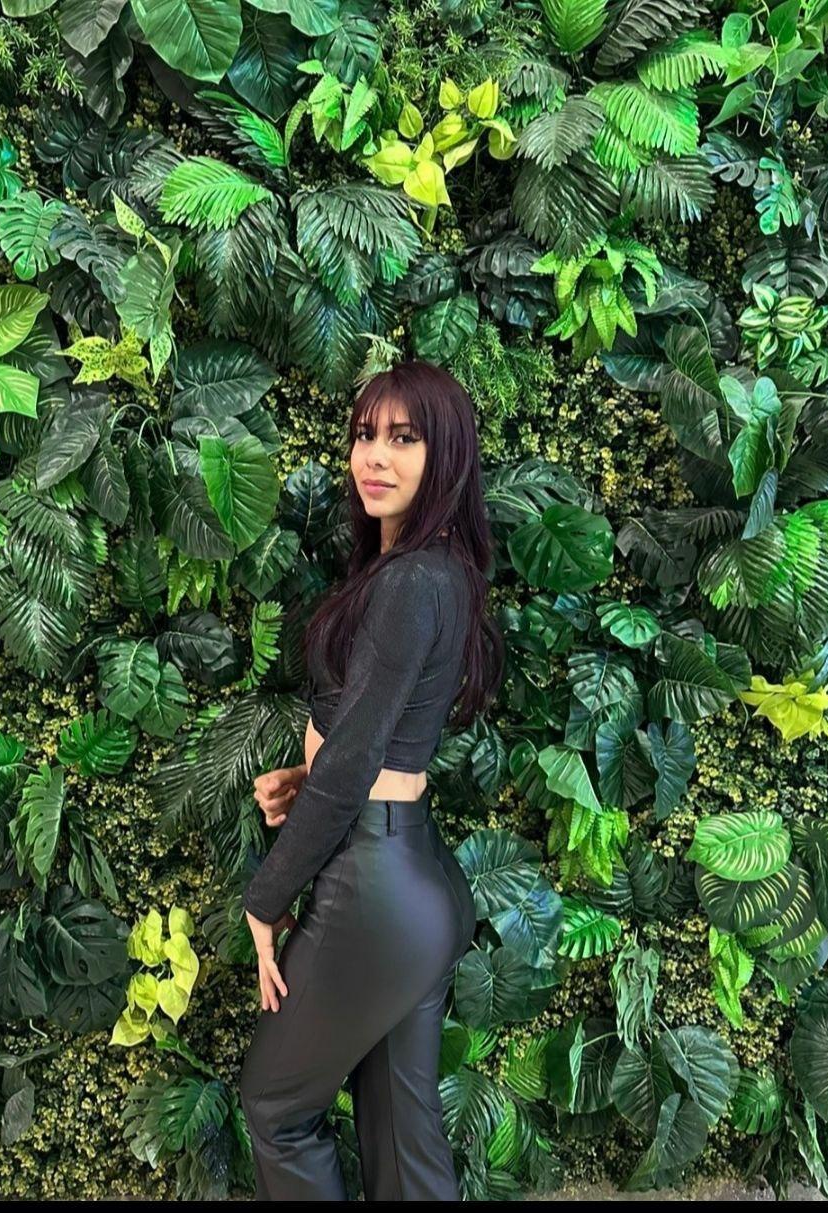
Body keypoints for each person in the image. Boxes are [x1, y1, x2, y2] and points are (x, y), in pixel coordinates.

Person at [238, 359, 505, 1201]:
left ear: (445, 455)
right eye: (365, 434)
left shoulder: (410, 581)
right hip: (415, 880)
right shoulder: (437, 571)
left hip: (375, 885)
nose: (374, 456)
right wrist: (308, 774)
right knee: (401, 1135)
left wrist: (266, 898)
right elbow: (375, 738)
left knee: (277, 1107)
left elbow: (356, 760)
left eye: (404, 437)